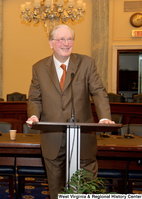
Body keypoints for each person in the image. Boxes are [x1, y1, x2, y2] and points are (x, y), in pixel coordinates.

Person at [26, 25, 115, 199]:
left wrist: (104, 117)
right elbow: (34, 98)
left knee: (86, 188)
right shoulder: (38, 67)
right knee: (56, 190)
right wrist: (34, 115)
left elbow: (98, 91)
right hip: (52, 138)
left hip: (83, 138)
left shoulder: (87, 63)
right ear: (51, 43)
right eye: (61, 39)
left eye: (70, 39)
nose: (66, 43)